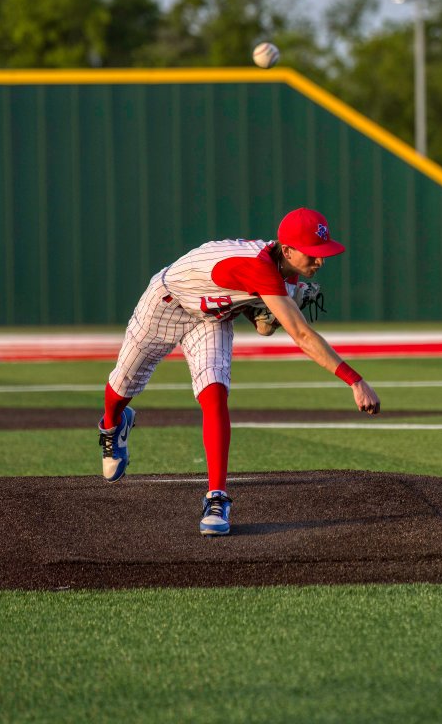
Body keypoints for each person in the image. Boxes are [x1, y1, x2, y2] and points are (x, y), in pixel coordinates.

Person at [96, 207, 381, 536]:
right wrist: (354, 380)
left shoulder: (286, 271)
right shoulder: (259, 267)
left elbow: (263, 328)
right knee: (123, 386)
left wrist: (268, 312)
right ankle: (112, 424)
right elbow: (302, 336)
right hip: (166, 303)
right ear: (288, 250)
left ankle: (217, 498)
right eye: (312, 253)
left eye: (322, 253)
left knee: (214, 393)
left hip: (212, 319)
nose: (320, 261)